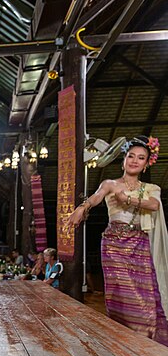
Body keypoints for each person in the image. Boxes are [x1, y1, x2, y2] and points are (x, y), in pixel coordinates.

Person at [67, 135, 168, 345]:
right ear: (123, 159)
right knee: (121, 292)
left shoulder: (151, 188)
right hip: (113, 245)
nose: (134, 161)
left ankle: (145, 339)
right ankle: (122, 340)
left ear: (146, 164)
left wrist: (128, 199)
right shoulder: (110, 184)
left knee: (145, 291)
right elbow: (96, 196)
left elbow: (154, 205)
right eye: (131, 156)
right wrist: (82, 207)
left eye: (141, 158)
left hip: (140, 244)